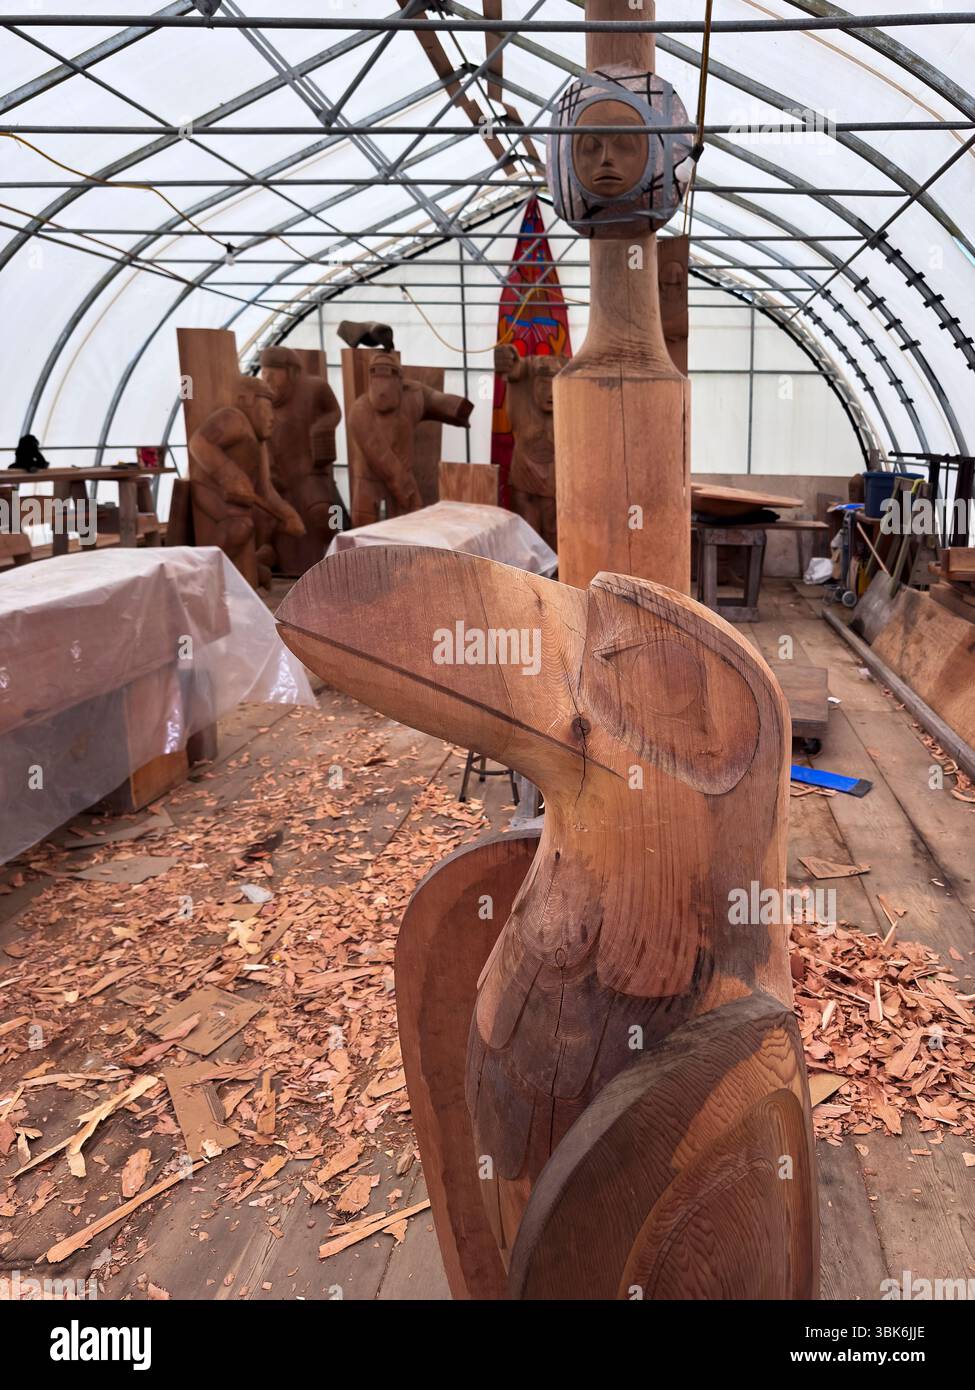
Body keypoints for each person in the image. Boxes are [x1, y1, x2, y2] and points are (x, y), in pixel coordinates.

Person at [189, 376, 304, 585]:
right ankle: (200, 575)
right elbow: (199, 443)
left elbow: (266, 490)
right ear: (246, 400)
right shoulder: (233, 418)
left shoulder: (260, 445)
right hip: (209, 490)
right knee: (241, 526)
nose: (272, 418)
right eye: (267, 408)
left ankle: (251, 568)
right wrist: (227, 473)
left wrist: (285, 513)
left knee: (263, 525)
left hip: (237, 500)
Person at [348, 353, 472, 526]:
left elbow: (438, 401)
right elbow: (381, 456)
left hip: (394, 478)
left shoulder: (412, 396)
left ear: (400, 381)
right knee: (365, 528)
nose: (383, 388)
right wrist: (405, 488)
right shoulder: (361, 410)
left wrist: (459, 409)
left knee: (408, 530)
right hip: (377, 479)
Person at [494, 345, 566, 551]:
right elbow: (514, 369)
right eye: (543, 385)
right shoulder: (523, 378)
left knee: (556, 540)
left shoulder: (571, 383)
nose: (550, 393)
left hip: (555, 482)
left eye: (553, 385)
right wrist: (505, 357)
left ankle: (556, 579)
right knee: (528, 539)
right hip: (524, 479)